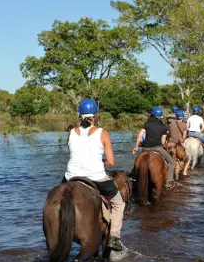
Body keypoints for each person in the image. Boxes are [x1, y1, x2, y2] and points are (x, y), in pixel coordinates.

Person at [63, 99, 125, 251]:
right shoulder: (102, 133)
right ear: (95, 116)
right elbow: (111, 162)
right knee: (119, 203)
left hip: (71, 176)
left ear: (80, 115)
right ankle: (114, 237)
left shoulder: (71, 132)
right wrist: (102, 162)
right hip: (96, 177)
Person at [132, 107, 176, 189]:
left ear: (152, 115)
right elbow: (163, 142)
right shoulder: (164, 127)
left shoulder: (147, 124)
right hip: (157, 148)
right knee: (172, 162)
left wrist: (136, 146)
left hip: (145, 148)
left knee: (136, 163)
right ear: (161, 116)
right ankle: (169, 181)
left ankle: (134, 179)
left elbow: (140, 135)